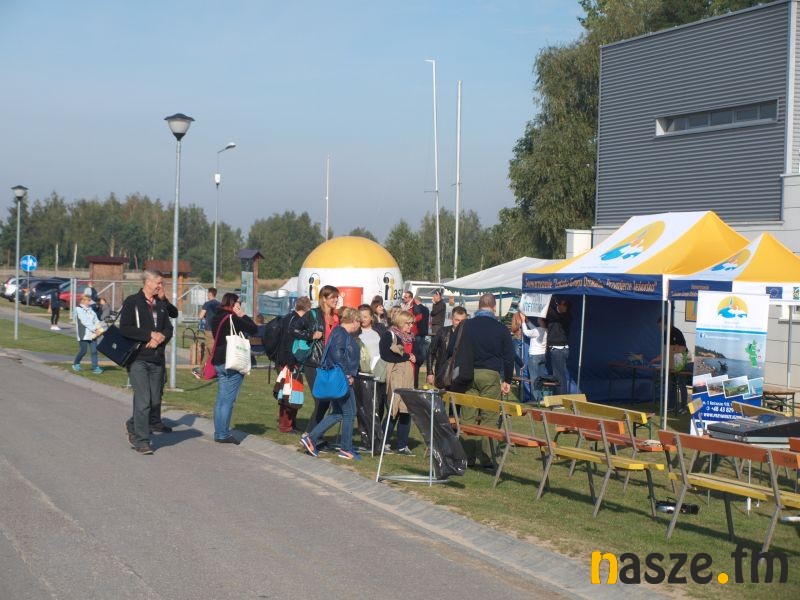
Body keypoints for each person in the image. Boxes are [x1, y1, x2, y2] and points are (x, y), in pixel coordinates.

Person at [119, 269, 173, 455]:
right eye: (158, 282)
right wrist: (149, 335)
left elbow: (169, 328)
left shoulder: (161, 304)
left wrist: (160, 338)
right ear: (148, 282)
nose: (160, 286)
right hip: (138, 359)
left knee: (154, 401)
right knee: (143, 400)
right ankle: (141, 441)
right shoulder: (132, 302)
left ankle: (133, 423)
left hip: (157, 359)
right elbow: (125, 329)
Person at [459, 293, 514, 468]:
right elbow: (509, 356)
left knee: (468, 415)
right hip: (490, 374)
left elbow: (456, 347)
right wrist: (507, 380)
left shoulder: (467, 325)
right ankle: (487, 457)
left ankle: (466, 457)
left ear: (478, 305)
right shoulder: (501, 328)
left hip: (469, 373)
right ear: (494, 307)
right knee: (489, 417)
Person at [300, 307, 363, 460]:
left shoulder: (339, 332)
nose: (359, 325)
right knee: (349, 412)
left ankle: (311, 438)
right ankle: (345, 448)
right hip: (341, 378)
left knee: (338, 412)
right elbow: (337, 354)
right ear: (354, 321)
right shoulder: (341, 333)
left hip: (338, 377)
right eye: (359, 322)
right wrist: (347, 374)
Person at [208, 293, 257, 444]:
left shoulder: (216, 317)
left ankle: (219, 432)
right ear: (233, 303)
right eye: (239, 303)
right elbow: (253, 329)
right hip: (232, 360)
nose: (240, 305)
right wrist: (243, 315)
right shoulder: (233, 318)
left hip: (219, 361)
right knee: (228, 400)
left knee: (221, 399)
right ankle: (223, 434)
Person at [275, 296, 322, 433]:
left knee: (292, 392)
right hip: (289, 362)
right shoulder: (295, 321)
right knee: (288, 393)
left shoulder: (288, 318)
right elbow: (289, 343)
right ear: (307, 308)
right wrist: (291, 363)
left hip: (286, 360)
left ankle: (291, 423)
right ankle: (286, 426)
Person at [380, 310, 422, 455]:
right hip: (395, 377)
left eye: (412, 323)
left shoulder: (412, 338)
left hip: (410, 378)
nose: (411, 326)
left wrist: (416, 358)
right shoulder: (389, 335)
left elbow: (420, 355)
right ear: (400, 322)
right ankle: (383, 442)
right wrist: (406, 357)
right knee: (393, 410)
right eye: (408, 323)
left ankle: (402, 445)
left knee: (406, 412)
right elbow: (385, 355)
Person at [303, 285, 341, 437]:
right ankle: (309, 435)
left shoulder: (337, 317)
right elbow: (293, 329)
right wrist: (311, 335)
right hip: (314, 362)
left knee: (325, 401)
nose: (336, 300)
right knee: (320, 399)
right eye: (333, 297)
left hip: (329, 364)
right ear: (324, 299)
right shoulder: (313, 314)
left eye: (337, 297)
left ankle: (313, 435)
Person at [652, 317, 688, 412]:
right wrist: (656, 359)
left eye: (661, 327)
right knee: (671, 384)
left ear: (667, 324)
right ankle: (672, 406)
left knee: (681, 384)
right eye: (659, 327)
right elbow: (665, 351)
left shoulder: (677, 332)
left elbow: (681, 349)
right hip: (670, 363)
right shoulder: (665, 334)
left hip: (680, 360)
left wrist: (675, 362)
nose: (660, 329)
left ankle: (684, 407)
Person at [426, 305, 467, 389]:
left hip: (461, 375)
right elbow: (431, 351)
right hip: (442, 372)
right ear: (452, 319)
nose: (459, 323)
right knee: (442, 396)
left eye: (462, 321)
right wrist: (430, 373)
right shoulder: (442, 331)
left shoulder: (468, 334)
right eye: (457, 320)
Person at [72, 293, 105, 374]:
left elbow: (96, 320)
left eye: (89, 300)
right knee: (83, 351)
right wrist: (95, 329)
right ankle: (76, 364)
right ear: (83, 301)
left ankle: (95, 367)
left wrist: (99, 328)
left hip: (93, 334)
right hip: (83, 333)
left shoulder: (91, 310)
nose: (89, 302)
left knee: (94, 351)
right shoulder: (78, 309)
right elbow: (85, 321)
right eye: (88, 300)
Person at [546, 297, 572, 395]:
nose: (559, 305)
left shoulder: (566, 317)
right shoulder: (556, 316)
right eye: (560, 303)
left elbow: (553, 314)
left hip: (559, 349)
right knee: (560, 374)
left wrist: (550, 301)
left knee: (558, 375)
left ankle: (560, 398)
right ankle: (560, 396)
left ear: (566, 307)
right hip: (559, 348)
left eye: (562, 304)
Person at [520, 314, 548, 403]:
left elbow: (526, 332)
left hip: (534, 357)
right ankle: (542, 398)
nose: (538, 319)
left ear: (542, 320)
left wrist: (523, 322)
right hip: (542, 356)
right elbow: (534, 329)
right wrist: (527, 321)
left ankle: (537, 399)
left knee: (534, 378)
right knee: (540, 378)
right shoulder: (546, 330)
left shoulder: (537, 330)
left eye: (539, 318)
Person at [411, 296, 430, 386]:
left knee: (417, 348)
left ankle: (419, 361)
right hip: (424, 331)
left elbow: (417, 319)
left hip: (418, 331)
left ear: (416, 300)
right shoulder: (426, 309)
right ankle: (422, 359)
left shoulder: (417, 309)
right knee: (422, 347)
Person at [198, 287, 220, 351]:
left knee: (210, 348)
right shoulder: (220, 304)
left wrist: (205, 315)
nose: (207, 294)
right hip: (218, 329)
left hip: (209, 329)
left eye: (208, 293)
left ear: (210, 293)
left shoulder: (207, 303)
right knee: (215, 347)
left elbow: (200, 316)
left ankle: (211, 357)